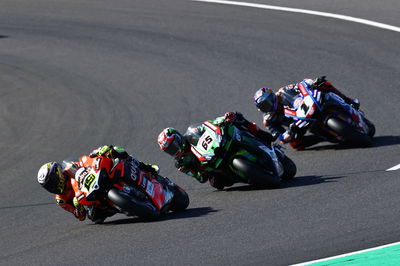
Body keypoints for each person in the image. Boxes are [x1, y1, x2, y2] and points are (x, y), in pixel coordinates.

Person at [37, 145, 159, 223]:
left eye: (52, 182)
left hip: (94, 179)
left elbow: (84, 162)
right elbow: (80, 216)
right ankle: (120, 207)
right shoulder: (61, 200)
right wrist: (78, 208)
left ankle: (145, 166)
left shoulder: (68, 168)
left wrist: (98, 153)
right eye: (48, 186)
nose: (52, 187)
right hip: (89, 198)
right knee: (94, 217)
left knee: (114, 150)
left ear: (58, 174)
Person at [157, 112, 275, 190]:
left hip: (219, 146)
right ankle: (248, 176)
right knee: (216, 183)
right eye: (169, 150)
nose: (174, 150)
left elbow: (209, 125)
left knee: (237, 121)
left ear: (178, 138)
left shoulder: (192, 133)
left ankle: (265, 137)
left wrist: (223, 119)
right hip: (211, 166)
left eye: (173, 146)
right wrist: (201, 172)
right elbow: (199, 178)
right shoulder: (181, 163)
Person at [253, 76, 360, 150]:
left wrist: (312, 83)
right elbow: (279, 136)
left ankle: (348, 100)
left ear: (273, 96)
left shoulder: (283, 91)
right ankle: (323, 137)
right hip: (299, 125)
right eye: (264, 107)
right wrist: (288, 133)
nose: (268, 107)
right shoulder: (268, 120)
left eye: (268, 102)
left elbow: (300, 85)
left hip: (308, 106)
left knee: (323, 84)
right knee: (295, 145)